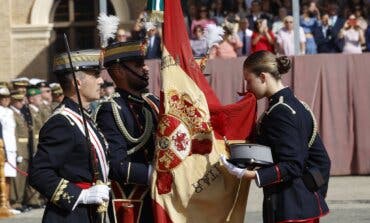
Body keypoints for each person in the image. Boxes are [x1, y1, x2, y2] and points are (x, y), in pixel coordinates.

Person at [221, 51, 331, 223]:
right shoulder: (299, 106)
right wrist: (312, 196)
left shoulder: (280, 112)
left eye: (249, 81)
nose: (247, 88)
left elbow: (292, 164)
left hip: (289, 209)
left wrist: (248, 174)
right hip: (304, 208)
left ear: (263, 77)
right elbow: (322, 160)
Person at [29, 49, 110, 222]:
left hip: (91, 213)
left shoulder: (84, 116)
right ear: (77, 82)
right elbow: (39, 173)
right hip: (71, 216)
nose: (101, 80)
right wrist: (81, 195)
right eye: (95, 75)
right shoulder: (62, 122)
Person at [95, 40, 159, 223]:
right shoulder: (110, 109)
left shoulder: (152, 102)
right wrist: (155, 174)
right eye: (138, 65)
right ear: (119, 71)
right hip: (134, 202)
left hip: (162, 198)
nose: (146, 68)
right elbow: (115, 165)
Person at [0, 85, 20, 215]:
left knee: (8, 177)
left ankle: (7, 203)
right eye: (3, 97)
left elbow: (13, 132)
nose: (6, 100)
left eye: (7, 97)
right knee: (2, 177)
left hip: (11, 148)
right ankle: (3, 203)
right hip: (3, 148)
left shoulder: (9, 111)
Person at [9, 90, 30, 213]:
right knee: (17, 179)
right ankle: (15, 202)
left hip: (25, 148)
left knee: (22, 178)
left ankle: (20, 201)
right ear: (14, 101)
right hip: (19, 149)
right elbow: (14, 134)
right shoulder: (11, 113)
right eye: (19, 101)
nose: (22, 103)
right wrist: (17, 152)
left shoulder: (20, 113)